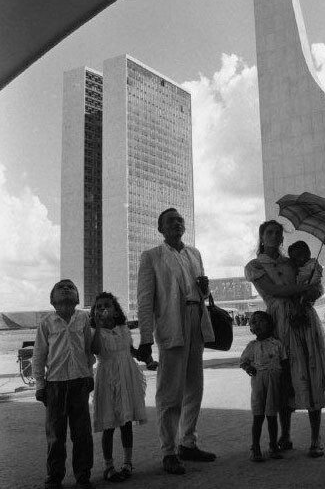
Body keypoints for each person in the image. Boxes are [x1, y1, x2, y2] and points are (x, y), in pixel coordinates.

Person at [245, 220, 325, 458]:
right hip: (278, 321)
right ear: (261, 236)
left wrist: (312, 290)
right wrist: (303, 290)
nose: (275, 236)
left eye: (278, 233)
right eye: (270, 232)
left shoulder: (294, 262)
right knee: (283, 376)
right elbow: (274, 291)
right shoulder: (255, 265)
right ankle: (284, 435)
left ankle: (315, 438)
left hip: (304, 320)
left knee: (311, 372)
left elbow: (316, 288)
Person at [137, 208, 216, 475]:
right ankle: (168, 451)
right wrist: (146, 338)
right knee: (170, 392)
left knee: (195, 386)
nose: (177, 223)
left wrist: (204, 290)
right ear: (160, 229)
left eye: (180, 220)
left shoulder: (194, 253)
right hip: (172, 322)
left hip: (196, 318)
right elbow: (145, 300)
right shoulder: (152, 257)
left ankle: (188, 442)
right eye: (170, 220)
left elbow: (201, 294)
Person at [32, 279, 95, 489]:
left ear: (77, 298)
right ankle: (54, 477)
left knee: (83, 433)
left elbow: (88, 350)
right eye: (62, 287)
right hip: (55, 386)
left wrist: (89, 375)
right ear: (52, 300)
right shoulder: (46, 323)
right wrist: (40, 385)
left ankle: (83, 476)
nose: (67, 288)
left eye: (71, 287)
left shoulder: (83, 319)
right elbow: (39, 356)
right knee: (55, 435)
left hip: (80, 382)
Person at [90, 292, 147, 482]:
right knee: (108, 425)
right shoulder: (94, 332)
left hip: (127, 377)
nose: (103, 309)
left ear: (115, 310)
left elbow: (132, 351)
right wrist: (97, 327)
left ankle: (127, 462)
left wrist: (147, 357)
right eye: (99, 307)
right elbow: (96, 350)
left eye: (108, 305)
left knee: (126, 422)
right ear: (94, 312)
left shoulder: (123, 328)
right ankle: (108, 466)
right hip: (107, 378)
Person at [240, 311, 289, 462]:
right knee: (258, 417)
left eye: (261, 321)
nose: (256, 324)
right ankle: (255, 448)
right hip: (258, 386)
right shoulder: (251, 346)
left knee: (272, 416)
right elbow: (244, 362)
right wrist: (249, 368)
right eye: (253, 322)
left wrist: (286, 384)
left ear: (270, 325)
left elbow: (285, 363)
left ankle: (273, 446)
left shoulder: (277, 344)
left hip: (274, 386)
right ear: (251, 328)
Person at [287, 240, 324, 327]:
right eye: (295, 258)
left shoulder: (313, 264)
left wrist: (308, 285)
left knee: (304, 301)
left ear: (308, 253)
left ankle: (303, 318)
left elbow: (316, 277)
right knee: (297, 301)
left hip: (312, 287)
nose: (300, 259)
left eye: (301, 255)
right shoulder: (297, 267)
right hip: (301, 289)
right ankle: (298, 316)